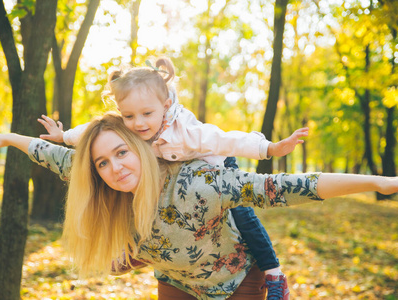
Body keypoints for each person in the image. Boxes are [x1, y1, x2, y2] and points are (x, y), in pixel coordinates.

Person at [0, 113, 398, 300]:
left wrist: (379, 181)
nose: (113, 168)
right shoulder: (98, 177)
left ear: (142, 146)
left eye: (122, 153)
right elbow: (47, 153)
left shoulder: (198, 184)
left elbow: (291, 184)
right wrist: (7, 139)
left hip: (237, 282)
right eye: (103, 162)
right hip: (178, 285)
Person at [37, 57, 309, 299]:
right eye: (129, 116)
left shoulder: (185, 131)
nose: (139, 123)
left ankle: (274, 274)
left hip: (217, 167)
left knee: (242, 215)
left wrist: (269, 148)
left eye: (147, 114)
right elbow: (93, 131)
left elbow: (227, 140)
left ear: (165, 106)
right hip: (179, 180)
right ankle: (140, 252)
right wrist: (63, 137)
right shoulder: (129, 128)